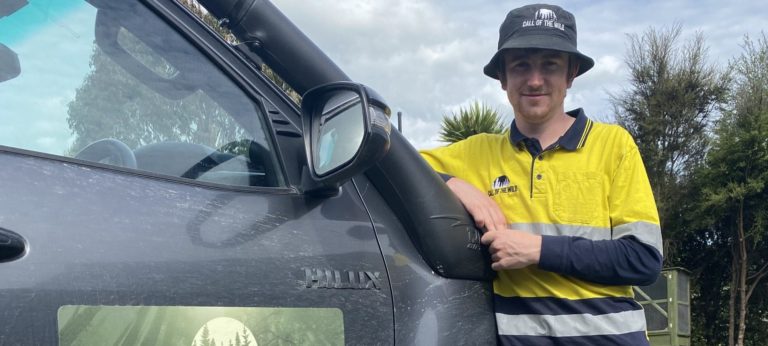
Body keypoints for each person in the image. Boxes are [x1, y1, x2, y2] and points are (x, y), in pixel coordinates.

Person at [420, 4, 663, 345]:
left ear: (571, 73)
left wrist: (537, 250)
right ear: (503, 78)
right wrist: (455, 183)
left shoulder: (614, 145)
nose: (535, 80)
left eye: (550, 64)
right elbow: (387, 153)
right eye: (521, 65)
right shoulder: (476, 152)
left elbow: (643, 260)